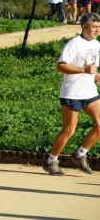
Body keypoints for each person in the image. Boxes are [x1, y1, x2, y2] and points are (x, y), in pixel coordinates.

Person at [43, 12, 100, 176]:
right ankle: (51, 160)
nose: (97, 30)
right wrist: (83, 70)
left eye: (99, 27)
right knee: (69, 130)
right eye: (94, 27)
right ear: (84, 27)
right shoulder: (73, 44)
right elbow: (60, 66)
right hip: (72, 93)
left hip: (89, 92)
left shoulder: (96, 44)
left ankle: (80, 154)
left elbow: (91, 66)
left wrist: (95, 75)